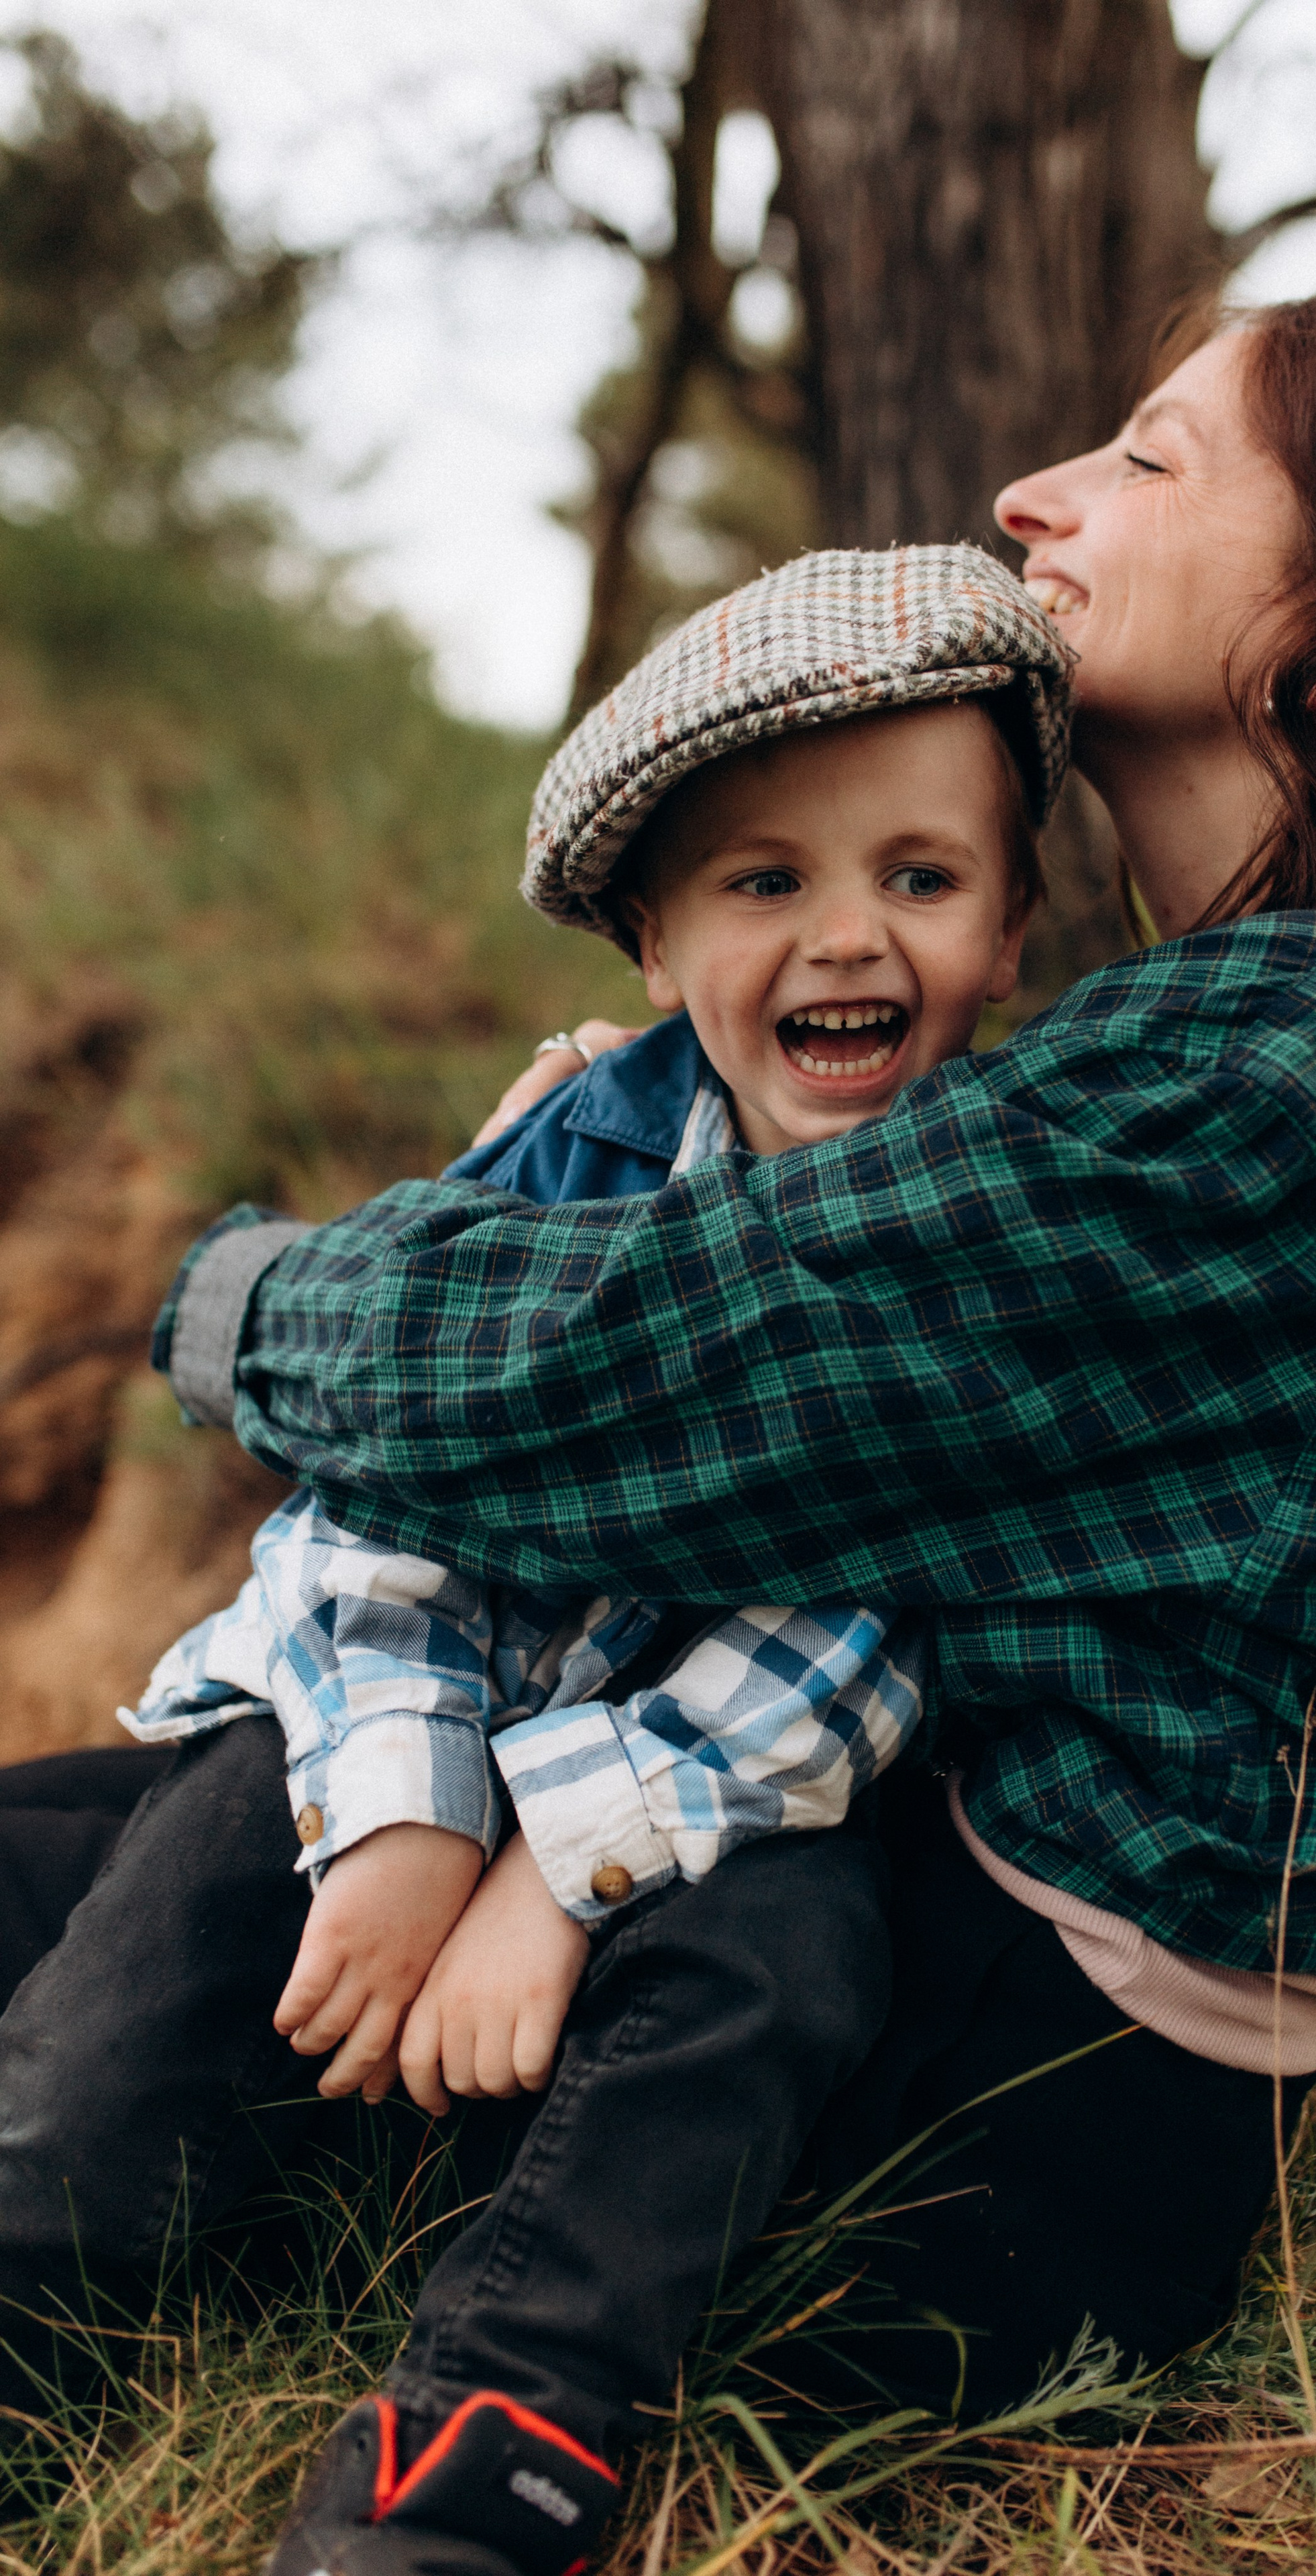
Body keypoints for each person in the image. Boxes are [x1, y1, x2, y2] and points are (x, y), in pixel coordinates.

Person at [1, 264, 1316, 2576]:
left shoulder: (1307, 1063)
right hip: (991, 2014)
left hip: (987, 2101)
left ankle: (386, 2477)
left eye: (1151, 459)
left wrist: (236, 1298)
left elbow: (619, 1382)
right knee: (76, 1839)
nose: (1037, 495)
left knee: (158, 1878)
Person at [116, 541, 1058, 2119]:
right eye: (766, 883)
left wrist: (557, 1864)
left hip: (713, 1781)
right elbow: (391, 1484)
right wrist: (414, 1810)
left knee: (776, 1975)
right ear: (655, 946)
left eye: (920, 878)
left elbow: (871, 1617)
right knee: (154, 1974)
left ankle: (503, 2278)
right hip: (409, 1689)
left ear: (1011, 929)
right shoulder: (579, 1147)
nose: (846, 936)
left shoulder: (996, 1227)